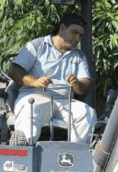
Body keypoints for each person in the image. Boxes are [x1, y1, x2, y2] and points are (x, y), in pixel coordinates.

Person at [8, 14, 97, 145]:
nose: (78, 38)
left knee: (87, 112)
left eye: (81, 35)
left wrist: (77, 83)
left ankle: (77, 152)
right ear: (62, 28)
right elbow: (14, 71)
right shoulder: (37, 46)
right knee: (31, 109)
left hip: (65, 102)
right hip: (35, 97)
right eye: (74, 32)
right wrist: (35, 82)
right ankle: (23, 146)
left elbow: (86, 84)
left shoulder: (78, 55)